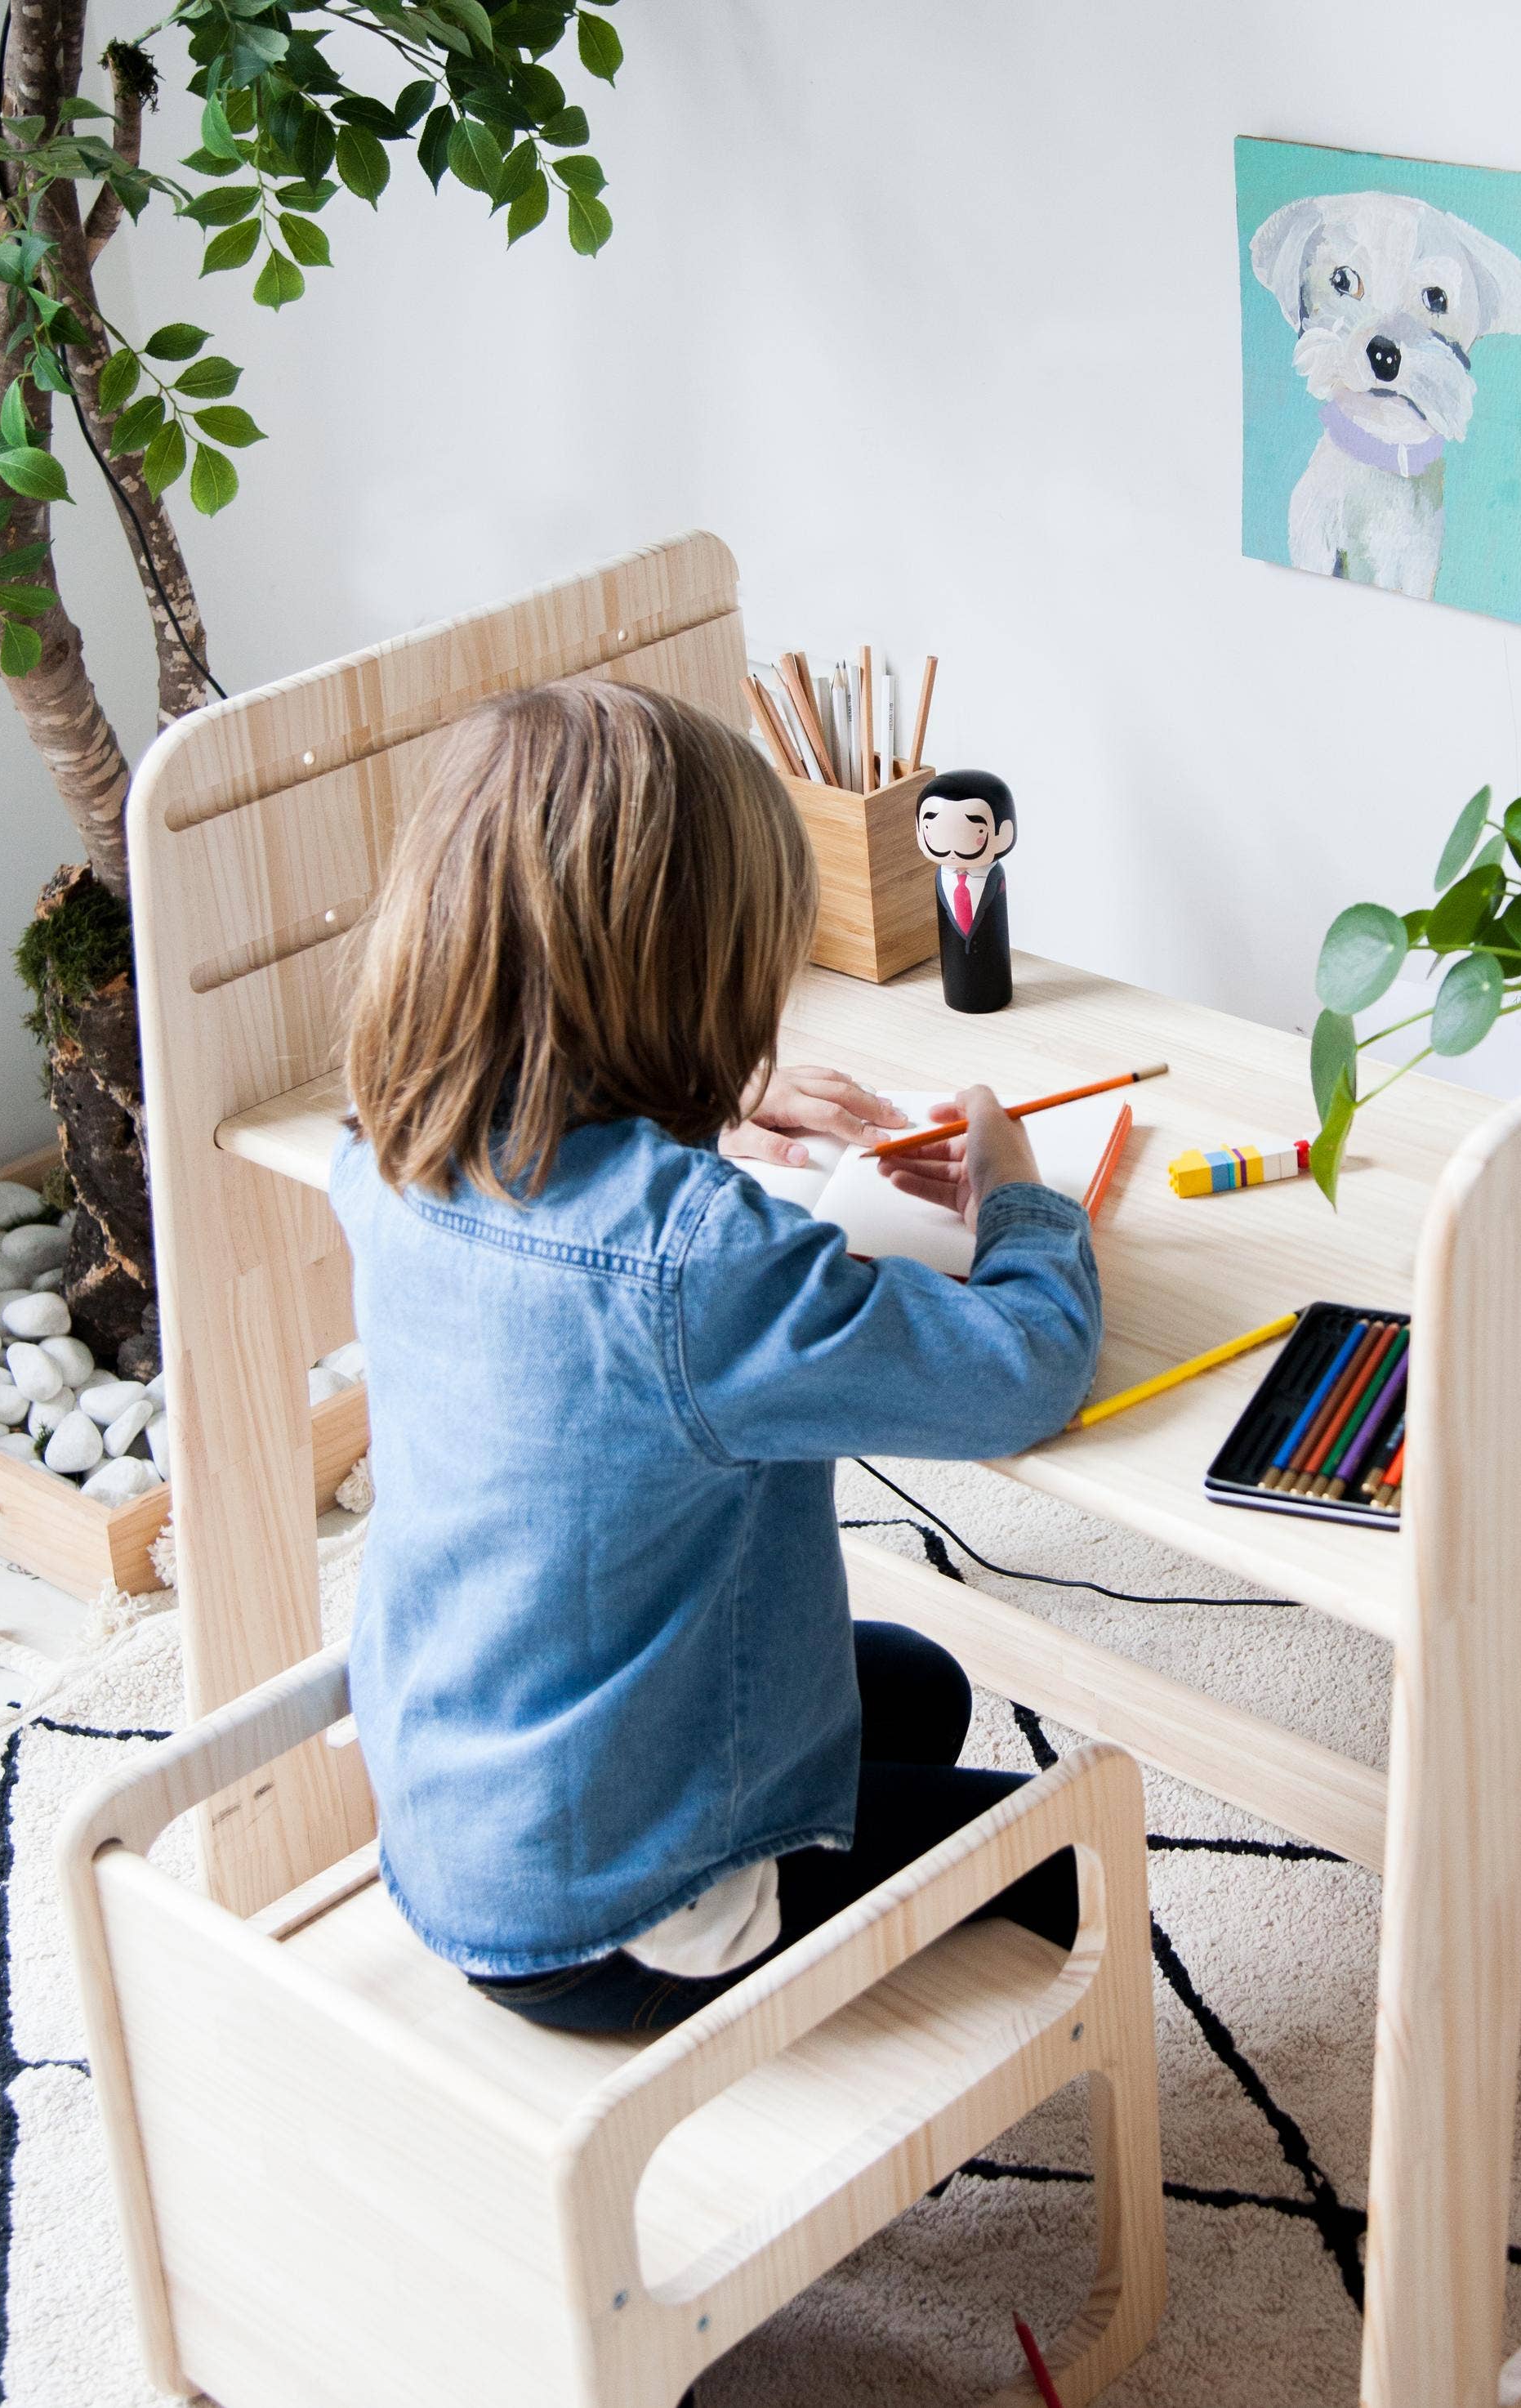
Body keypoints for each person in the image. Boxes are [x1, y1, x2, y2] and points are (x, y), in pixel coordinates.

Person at [332, 678, 1101, 2039]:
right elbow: (1021, 1372)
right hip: (632, 1914)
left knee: (919, 1683)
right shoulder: (703, 1265)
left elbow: (581, 1230)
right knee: (1084, 1851)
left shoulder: (391, 1155)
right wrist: (1021, 1197)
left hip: (466, 1813)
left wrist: (709, 1106)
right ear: (701, 978)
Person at [917, 769, 1017, 1014]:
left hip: (994, 977)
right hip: (955, 981)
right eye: (932, 830)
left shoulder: (995, 876)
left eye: (978, 833)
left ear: (1003, 834)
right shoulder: (941, 877)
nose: (951, 848)